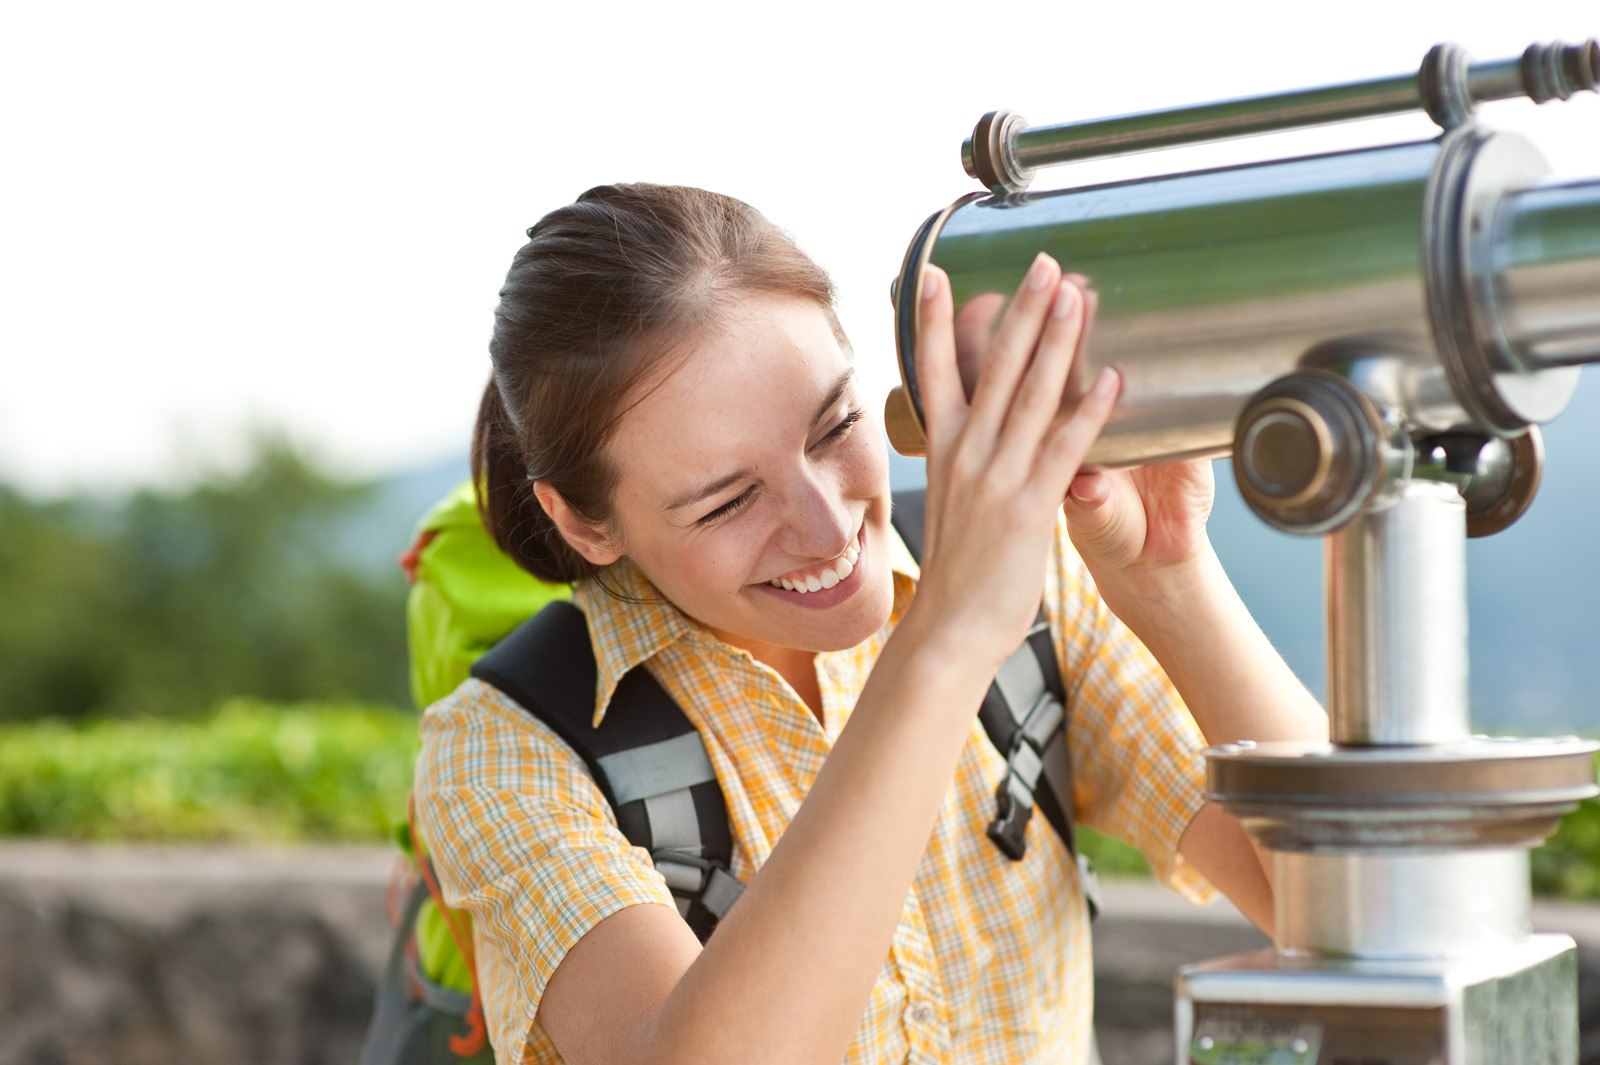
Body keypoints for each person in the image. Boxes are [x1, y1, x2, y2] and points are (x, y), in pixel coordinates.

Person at [412, 182, 1327, 1065]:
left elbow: (1347, 910)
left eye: (835, 425)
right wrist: (946, 644)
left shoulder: (1040, 572)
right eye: (728, 501)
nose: (826, 525)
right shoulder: (501, 753)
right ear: (583, 521)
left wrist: (1168, 577)